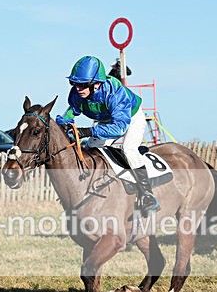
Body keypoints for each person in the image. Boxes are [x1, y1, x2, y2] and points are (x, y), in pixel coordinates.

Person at [55, 55, 159, 214]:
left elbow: (119, 128)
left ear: (96, 84)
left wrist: (89, 131)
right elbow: (71, 112)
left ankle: (147, 194)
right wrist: (62, 124)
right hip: (106, 119)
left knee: (128, 150)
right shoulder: (77, 93)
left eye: (82, 85)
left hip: (130, 118)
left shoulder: (113, 92)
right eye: (74, 83)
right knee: (91, 149)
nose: (77, 88)